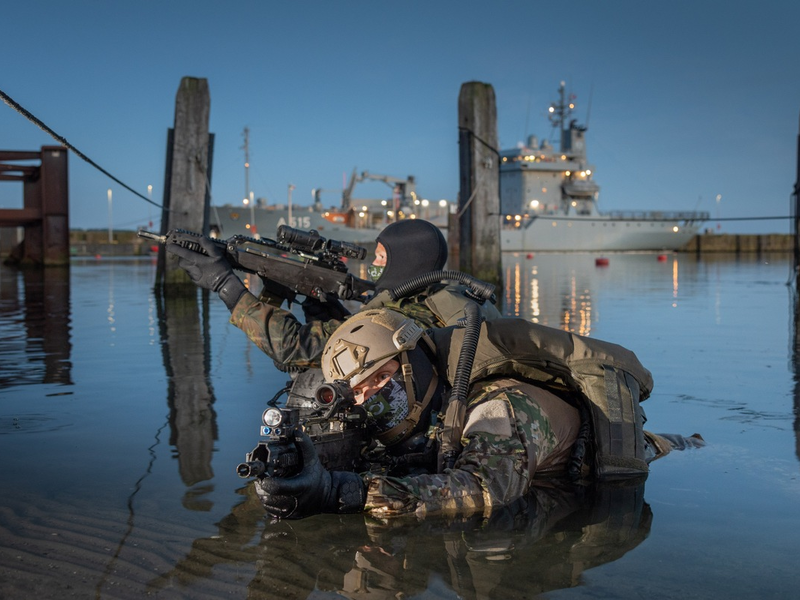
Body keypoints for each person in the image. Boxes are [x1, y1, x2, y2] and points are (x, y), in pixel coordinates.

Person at [255, 307, 704, 520]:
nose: (369, 397)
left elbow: (486, 488)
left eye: (381, 377)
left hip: (668, 454)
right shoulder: (431, 407)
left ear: (414, 364)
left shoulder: (499, 405)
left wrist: (344, 493)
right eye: (358, 391)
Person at [166, 219, 501, 371]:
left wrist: (226, 286)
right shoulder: (441, 297)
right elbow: (347, 338)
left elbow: (294, 349)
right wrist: (321, 303)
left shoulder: (406, 316)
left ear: (406, 262)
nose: (375, 267)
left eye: (382, 259)